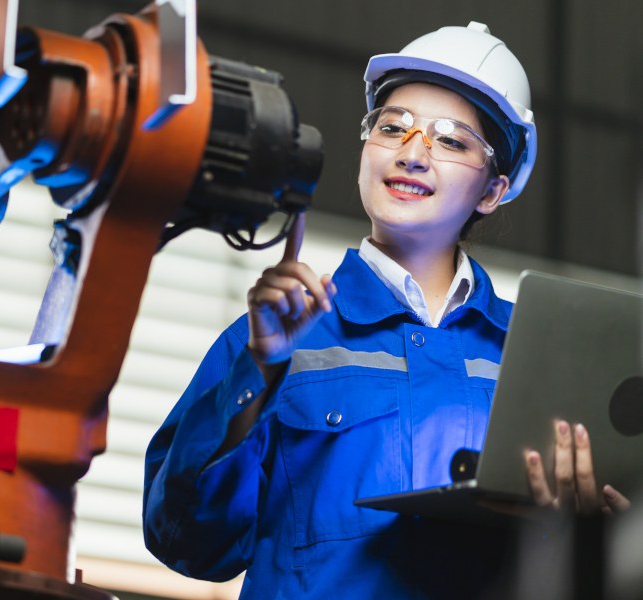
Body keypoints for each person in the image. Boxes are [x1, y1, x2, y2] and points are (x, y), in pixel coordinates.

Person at [142, 22, 628, 598]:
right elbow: (188, 541)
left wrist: (597, 527)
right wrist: (261, 370)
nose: (412, 153)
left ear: (493, 190)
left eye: (450, 141)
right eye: (393, 127)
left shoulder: (543, 355)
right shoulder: (273, 339)